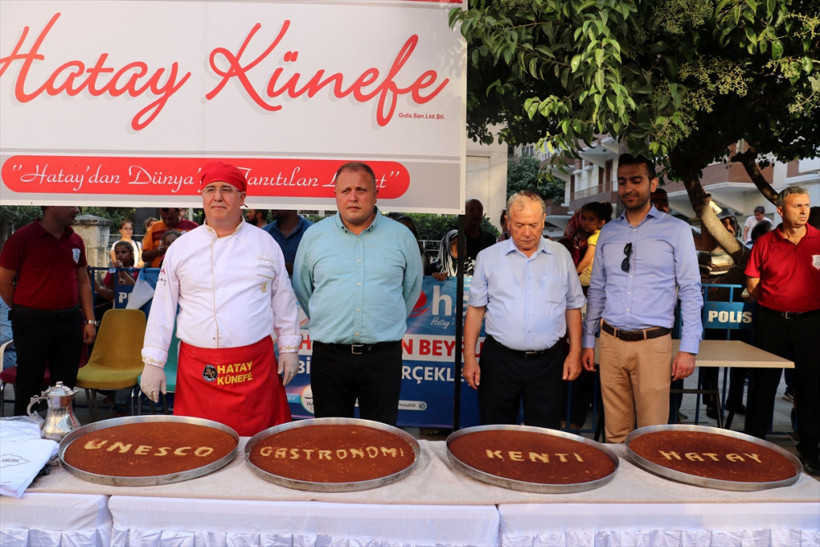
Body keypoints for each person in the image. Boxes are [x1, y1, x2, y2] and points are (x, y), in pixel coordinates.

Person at [139, 162, 302, 436]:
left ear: (242, 197)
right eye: (210, 189)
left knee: (259, 446)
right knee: (199, 443)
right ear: (202, 197)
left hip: (255, 367)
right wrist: (153, 362)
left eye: (226, 189)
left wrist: (289, 348)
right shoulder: (182, 247)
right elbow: (162, 308)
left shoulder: (265, 243)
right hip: (198, 369)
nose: (217, 197)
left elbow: (283, 300)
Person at [581, 154, 702, 443]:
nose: (628, 188)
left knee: (652, 437)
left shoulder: (677, 230)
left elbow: (690, 289)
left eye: (636, 180)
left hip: (653, 344)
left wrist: (689, 348)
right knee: (615, 435)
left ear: (653, 183)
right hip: (610, 342)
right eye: (622, 182)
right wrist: (588, 340)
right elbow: (597, 289)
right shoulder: (608, 232)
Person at [293, 161, 423, 425]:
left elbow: (411, 289)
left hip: (382, 358)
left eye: (361, 190)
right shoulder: (314, 236)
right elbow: (303, 288)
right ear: (336, 195)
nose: (352, 197)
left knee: (381, 437)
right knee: (330, 436)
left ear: (375, 194)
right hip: (330, 359)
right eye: (346, 190)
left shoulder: (401, 237)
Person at [462, 191, 585, 428]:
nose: (527, 232)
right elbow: (476, 311)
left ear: (544, 220)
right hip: (499, 361)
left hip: (548, 362)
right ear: (508, 222)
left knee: (544, 434)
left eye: (533, 225)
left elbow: (573, 306)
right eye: (519, 225)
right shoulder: (488, 257)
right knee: (495, 431)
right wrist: (469, 359)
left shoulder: (561, 255)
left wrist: (574, 353)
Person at [744, 186, 819, 475]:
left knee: (810, 389)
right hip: (771, 322)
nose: (803, 210)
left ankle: (810, 452)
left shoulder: (819, 239)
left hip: (811, 323)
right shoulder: (765, 242)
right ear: (780, 210)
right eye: (797, 205)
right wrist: (772, 301)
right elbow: (752, 281)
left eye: (806, 205)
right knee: (762, 386)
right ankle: (753, 448)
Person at [0, 206, 97, 416]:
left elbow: (83, 281)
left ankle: (62, 428)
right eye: (71, 205)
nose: (77, 209)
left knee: (65, 385)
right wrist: (23, 309)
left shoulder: (76, 240)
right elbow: (4, 281)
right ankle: (25, 431)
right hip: (32, 322)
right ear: (52, 205)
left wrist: (90, 320)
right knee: (29, 384)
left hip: (69, 321)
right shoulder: (21, 238)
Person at [576, 201, 613, 290]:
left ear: (601, 222)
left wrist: (573, 274)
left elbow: (586, 261)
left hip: (588, 277)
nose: (586, 222)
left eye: (591, 219)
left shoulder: (593, 238)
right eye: (584, 218)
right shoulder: (604, 234)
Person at [263, 210, 313, 275]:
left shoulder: (313, 231)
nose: (272, 207)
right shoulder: (264, 234)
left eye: (277, 204)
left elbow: (317, 266)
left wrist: (277, 267)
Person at [464, 198, 497, 263]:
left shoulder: (490, 239)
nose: (476, 213)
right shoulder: (457, 238)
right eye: (471, 209)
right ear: (464, 213)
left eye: (479, 209)